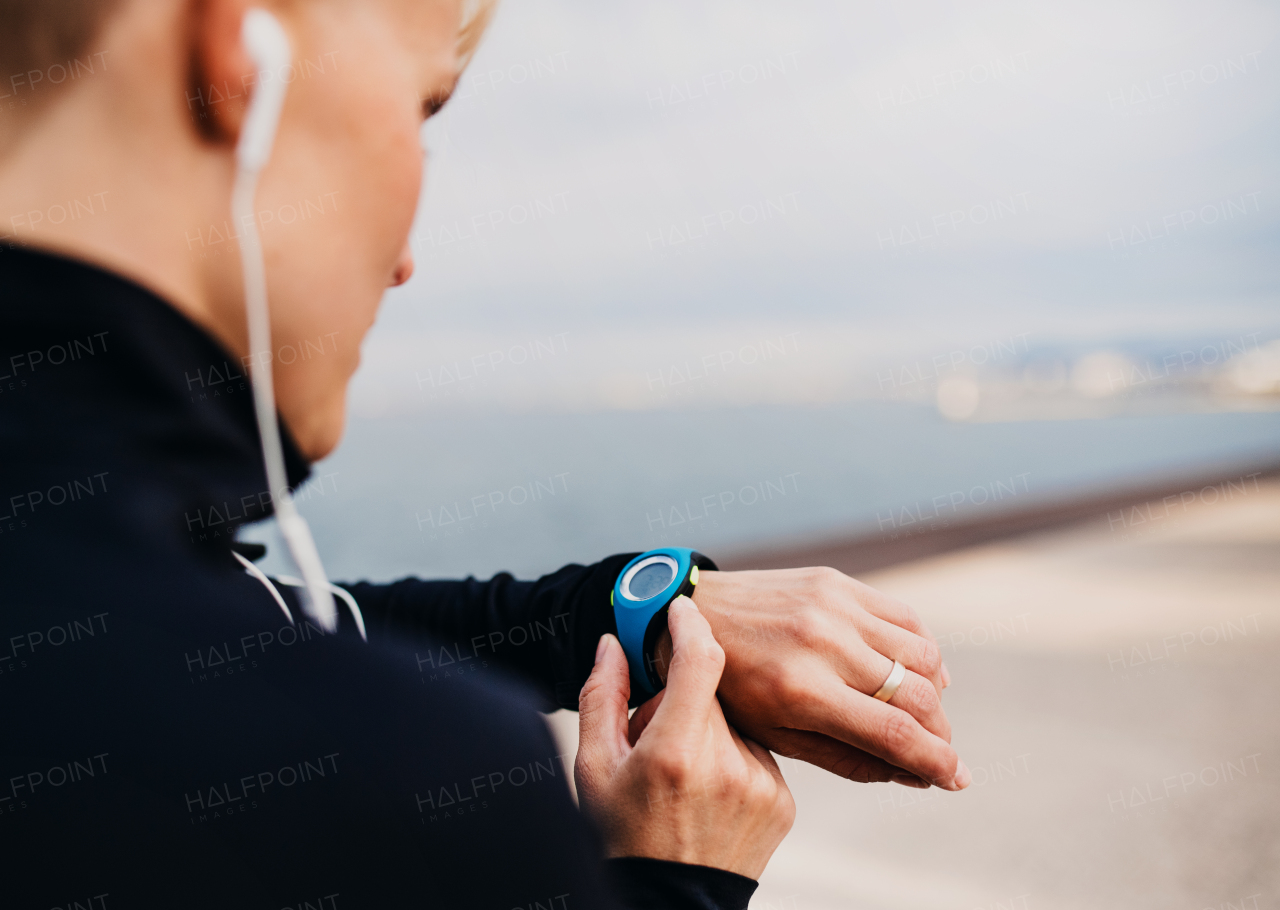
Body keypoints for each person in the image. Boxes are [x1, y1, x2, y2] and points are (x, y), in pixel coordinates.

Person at [0, 0, 969, 906]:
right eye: (423, 106)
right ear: (239, 47)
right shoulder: (402, 786)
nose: (407, 258)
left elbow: (244, 627)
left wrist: (627, 609)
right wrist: (673, 880)